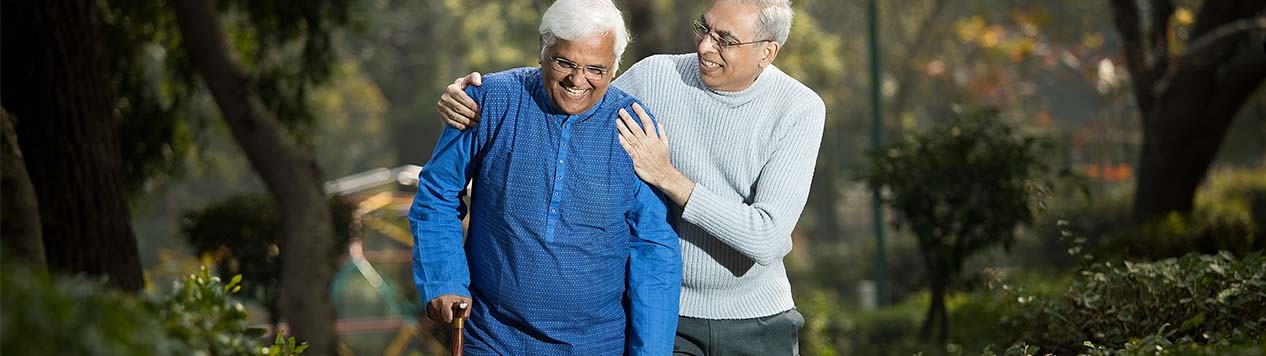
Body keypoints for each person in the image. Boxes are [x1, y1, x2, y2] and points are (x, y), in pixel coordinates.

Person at [435, 1, 825, 354]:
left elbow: (768, 237)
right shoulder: (657, 76)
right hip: (671, 318)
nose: (705, 46)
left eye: (726, 40)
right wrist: (467, 97)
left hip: (757, 318)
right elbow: (579, 88)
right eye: (704, 28)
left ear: (767, 52)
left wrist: (669, 178)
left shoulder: (799, 108)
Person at [409, 0, 681, 355]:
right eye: (564, 62)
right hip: (491, 339)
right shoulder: (487, 101)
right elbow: (437, 193)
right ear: (542, 47)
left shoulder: (635, 126)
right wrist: (443, 280)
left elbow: (654, 248)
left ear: (615, 67)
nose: (577, 80)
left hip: (596, 345)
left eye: (596, 69)